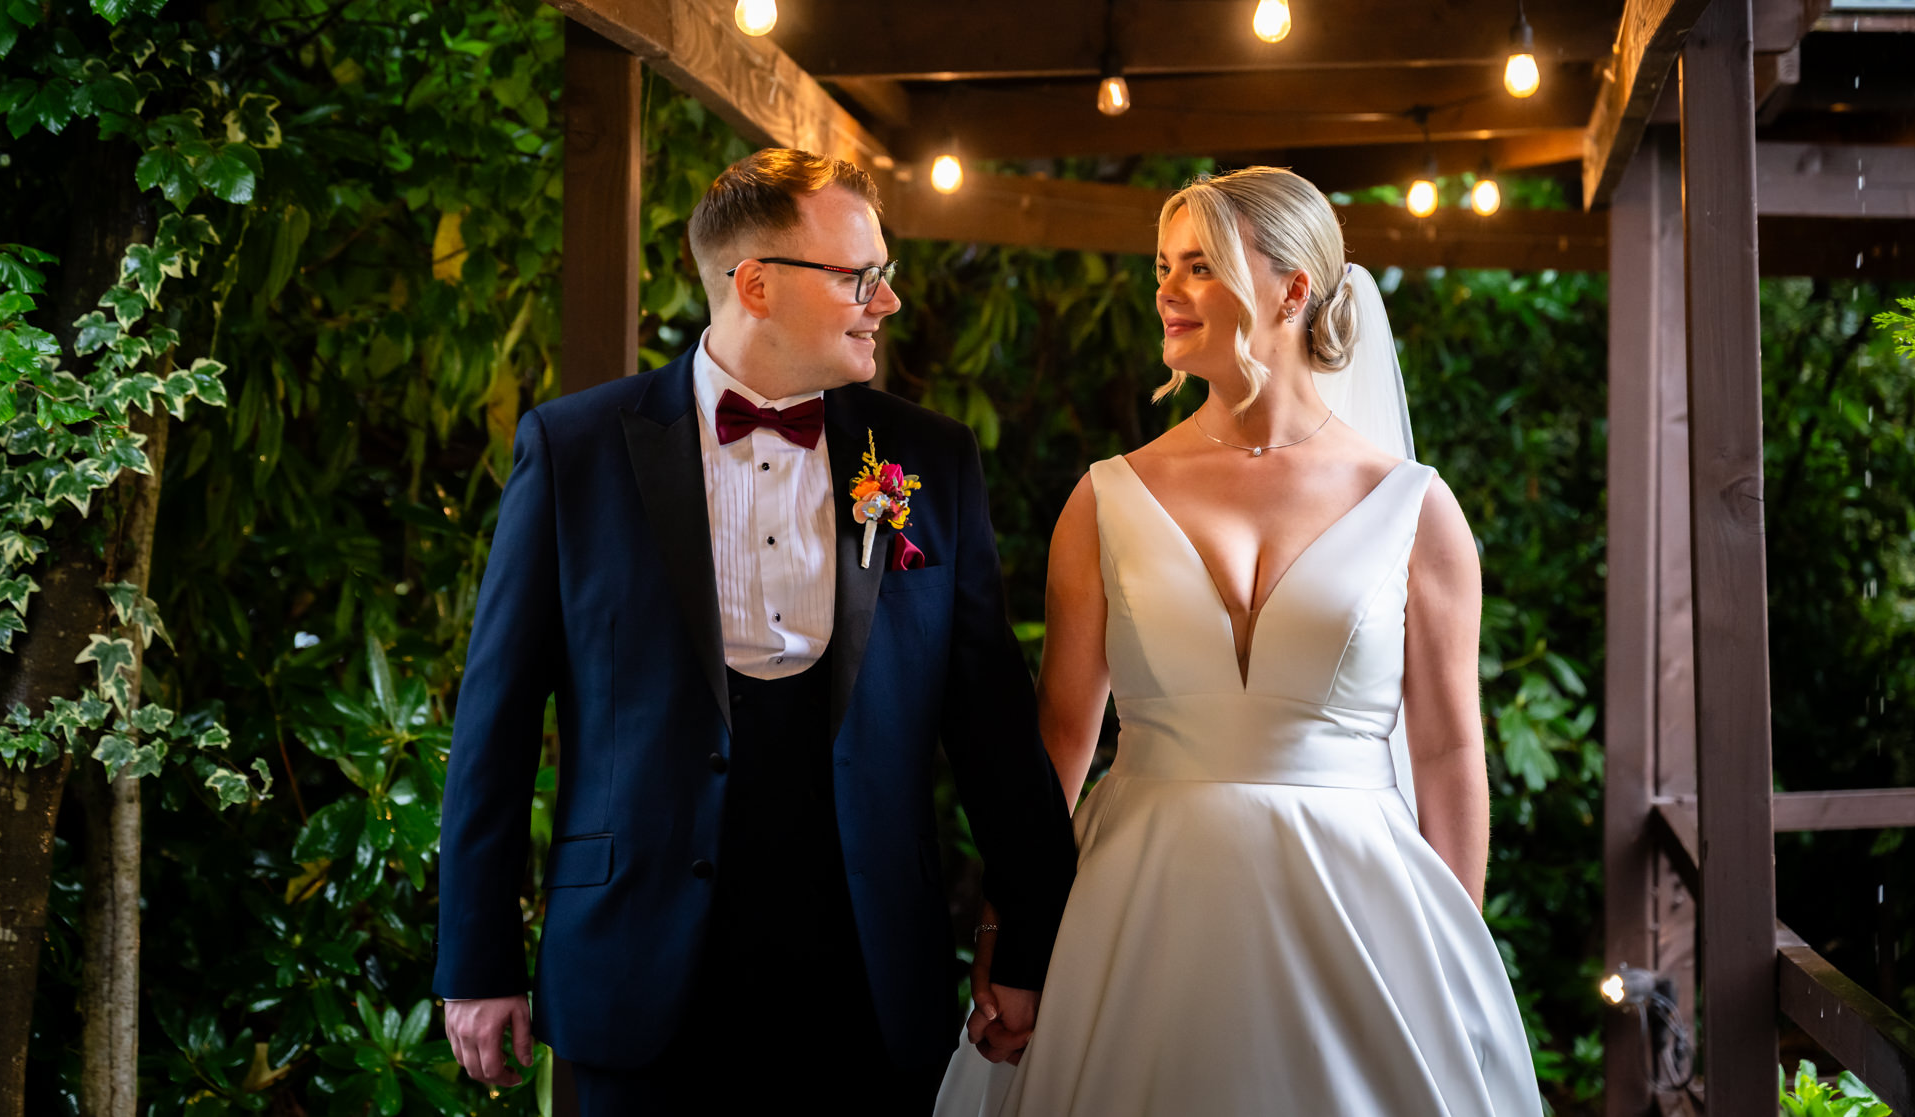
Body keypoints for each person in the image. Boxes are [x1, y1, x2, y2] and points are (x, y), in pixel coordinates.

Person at [433, 148, 1077, 1114]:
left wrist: (1028, 942)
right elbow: (496, 721)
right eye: (861, 277)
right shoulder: (575, 449)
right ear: (757, 284)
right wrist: (475, 959)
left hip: (866, 964)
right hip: (635, 959)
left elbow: (990, 724)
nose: (886, 301)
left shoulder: (929, 460)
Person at [936, 166, 1542, 1115]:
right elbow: (1059, 737)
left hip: (1362, 908)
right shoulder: (1106, 495)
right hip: (1137, 907)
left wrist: (1451, 946)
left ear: (1293, 289)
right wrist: (1009, 940)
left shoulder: (1415, 508)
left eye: (1200, 265)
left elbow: (1450, 747)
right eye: (1163, 266)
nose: (1168, 290)